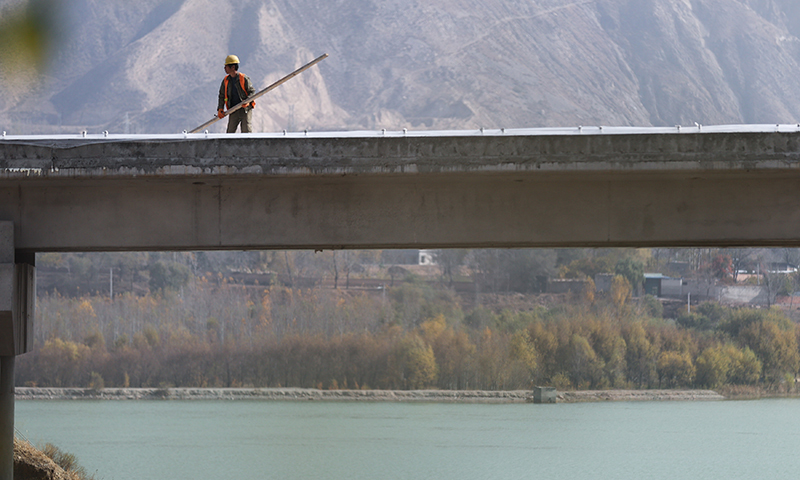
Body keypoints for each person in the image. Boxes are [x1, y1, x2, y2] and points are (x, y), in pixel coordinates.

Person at [217, 55, 256, 133]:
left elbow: (252, 92)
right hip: (233, 109)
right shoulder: (226, 80)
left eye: (226, 66)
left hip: (245, 110)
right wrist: (220, 108)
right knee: (230, 132)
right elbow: (221, 95)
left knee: (246, 131)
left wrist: (247, 101)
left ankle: (248, 145)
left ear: (233, 67)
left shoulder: (243, 78)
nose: (224, 68)